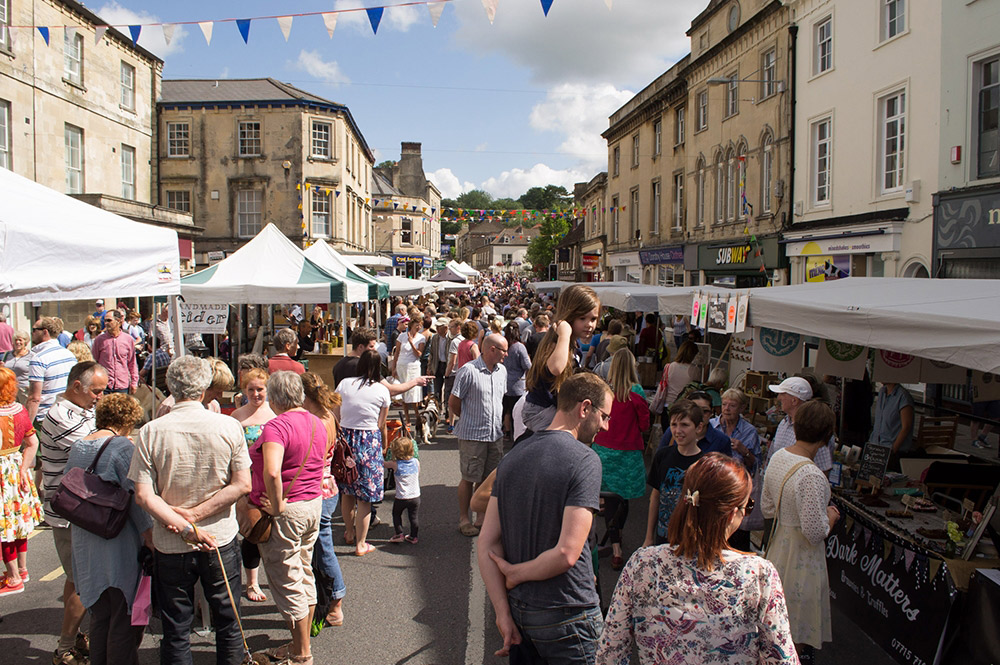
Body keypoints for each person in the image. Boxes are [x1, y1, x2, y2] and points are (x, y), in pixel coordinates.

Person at [596, 453, 798, 665]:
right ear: (731, 514)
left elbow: (610, 652)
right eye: (746, 507)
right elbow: (781, 658)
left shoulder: (643, 564)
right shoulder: (759, 575)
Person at [478, 372, 610, 663]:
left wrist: (502, 613)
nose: (606, 425)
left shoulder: (513, 456)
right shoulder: (585, 460)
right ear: (584, 408)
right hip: (569, 611)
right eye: (604, 415)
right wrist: (516, 573)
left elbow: (486, 542)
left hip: (520, 613)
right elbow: (566, 554)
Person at [128, 355, 251, 665]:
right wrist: (194, 518)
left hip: (171, 544)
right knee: (228, 621)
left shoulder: (151, 431)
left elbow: (143, 495)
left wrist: (184, 521)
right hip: (219, 538)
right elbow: (242, 484)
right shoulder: (228, 426)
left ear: (171, 386)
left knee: (176, 627)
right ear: (204, 388)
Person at [66, 394, 151, 665]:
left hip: (85, 537)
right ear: (127, 421)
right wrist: (149, 536)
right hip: (118, 540)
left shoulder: (79, 446)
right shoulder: (122, 449)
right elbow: (137, 497)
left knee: (100, 616)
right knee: (124, 617)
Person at [251, 371, 326, 665]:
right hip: (312, 504)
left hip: (289, 509)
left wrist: (278, 505)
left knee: (287, 579)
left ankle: (302, 652)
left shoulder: (277, 427)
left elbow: (272, 470)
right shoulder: (316, 422)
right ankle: (299, 646)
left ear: (275, 396)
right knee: (303, 571)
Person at [38, 361, 108, 665]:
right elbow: (98, 448)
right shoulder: (59, 415)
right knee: (84, 581)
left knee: (75, 579)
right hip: (68, 513)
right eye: (96, 391)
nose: (100, 397)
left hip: (78, 509)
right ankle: (65, 650)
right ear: (76, 387)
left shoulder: (80, 411)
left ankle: (76, 638)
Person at [763, 400, 840, 664]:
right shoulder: (812, 475)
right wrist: (830, 517)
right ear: (826, 435)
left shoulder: (779, 456)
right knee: (796, 632)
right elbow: (814, 531)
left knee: (774, 624)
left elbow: (766, 507)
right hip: (802, 559)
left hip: (778, 546)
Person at [592, 348, 649, 570]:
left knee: (611, 499)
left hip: (604, 450)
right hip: (628, 453)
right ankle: (618, 540)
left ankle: (615, 545)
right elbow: (644, 425)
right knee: (623, 500)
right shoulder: (636, 392)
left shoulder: (604, 392)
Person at [450, 334, 508, 537]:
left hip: (495, 435)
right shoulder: (468, 371)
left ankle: (482, 517)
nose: (506, 354)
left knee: (488, 479)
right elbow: (454, 402)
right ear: (492, 349)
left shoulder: (502, 371)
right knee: (469, 477)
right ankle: (464, 518)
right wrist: (468, 419)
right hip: (473, 435)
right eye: (503, 350)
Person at [300, 372, 346, 631]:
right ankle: (330, 595)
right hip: (329, 488)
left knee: (323, 546)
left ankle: (336, 597)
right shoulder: (328, 415)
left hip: (320, 490)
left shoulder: (318, 420)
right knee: (320, 546)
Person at [523, 284, 601, 433]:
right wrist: (564, 334)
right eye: (582, 318)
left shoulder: (573, 344)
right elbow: (557, 368)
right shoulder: (558, 341)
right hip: (540, 409)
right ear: (569, 316)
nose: (589, 324)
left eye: (593, 319)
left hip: (552, 408)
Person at [334, 350, 390, 557]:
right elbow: (381, 424)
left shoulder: (344, 384)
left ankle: (349, 532)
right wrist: (383, 447)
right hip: (368, 439)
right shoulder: (382, 390)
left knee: (347, 490)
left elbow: (335, 413)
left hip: (346, 438)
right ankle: (361, 543)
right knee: (365, 497)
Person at [229, 367, 275, 604]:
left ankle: (275, 579)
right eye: (251, 390)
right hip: (248, 480)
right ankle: (252, 581)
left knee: (276, 532)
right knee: (252, 532)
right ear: (244, 391)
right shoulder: (237, 416)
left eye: (260, 389)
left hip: (271, 478)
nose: (256, 394)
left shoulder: (276, 413)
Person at [0, 367, 43, 595]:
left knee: (4, 526)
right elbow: (33, 443)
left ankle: (13, 576)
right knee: (18, 523)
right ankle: (22, 569)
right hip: (17, 466)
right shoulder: (20, 410)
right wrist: (24, 469)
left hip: (2, 473)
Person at [645, 399, 707, 547]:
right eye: (674, 424)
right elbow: (655, 496)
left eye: (685, 425)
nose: (678, 430)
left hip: (691, 540)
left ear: (698, 427)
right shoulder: (663, 455)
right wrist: (649, 537)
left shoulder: (704, 464)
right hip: (663, 536)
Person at [711, 388, 762, 551]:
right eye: (724, 404)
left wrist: (744, 451)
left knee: (737, 534)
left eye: (732, 405)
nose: (726, 409)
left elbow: (755, 464)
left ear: (741, 408)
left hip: (737, 486)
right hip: (714, 484)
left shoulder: (749, 431)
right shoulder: (712, 426)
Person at [766, 377, 835, 473]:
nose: (778, 398)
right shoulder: (784, 423)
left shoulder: (815, 428)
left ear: (794, 400)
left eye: (782, 394)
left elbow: (822, 470)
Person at [27, 317, 78, 424]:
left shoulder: (38, 359)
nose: (32, 333)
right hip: (67, 414)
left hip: (46, 417)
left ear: (45, 332)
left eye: (34, 330)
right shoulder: (69, 354)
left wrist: (26, 427)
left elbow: (34, 398)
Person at [155, 357, 233, 417]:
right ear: (205, 386)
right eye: (217, 392)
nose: (220, 396)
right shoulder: (169, 407)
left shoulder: (213, 406)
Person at [391, 318, 426, 437]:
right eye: (417, 325)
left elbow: (419, 354)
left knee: (414, 393)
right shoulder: (401, 336)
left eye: (420, 325)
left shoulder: (421, 338)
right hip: (401, 365)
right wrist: (394, 367)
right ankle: (407, 418)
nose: (418, 327)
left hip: (413, 366)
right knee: (403, 392)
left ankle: (417, 416)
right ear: (411, 325)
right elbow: (397, 352)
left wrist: (411, 342)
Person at [91, 310, 139, 395]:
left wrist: (134, 382)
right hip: (105, 385)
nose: (106, 323)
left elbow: (132, 363)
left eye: (109, 320)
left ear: (118, 321)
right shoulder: (99, 340)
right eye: (105, 320)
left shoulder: (128, 339)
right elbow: (94, 362)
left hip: (122, 385)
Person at [385, 437, 421, 544]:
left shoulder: (395, 464)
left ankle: (399, 534)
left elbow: (383, 464)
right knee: (413, 517)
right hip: (415, 496)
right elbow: (418, 474)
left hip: (401, 497)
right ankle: (413, 536)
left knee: (396, 514)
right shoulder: (416, 462)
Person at [501, 321, 531, 442]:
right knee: (516, 412)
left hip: (504, 382)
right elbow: (527, 365)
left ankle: (507, 432)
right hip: (517, 384)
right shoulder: (519, 347)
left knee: (506, 409)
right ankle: (516, 435)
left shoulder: (503, 345)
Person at [869, 383, 915, 457]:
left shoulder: (903, 396)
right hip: (876, 447)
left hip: (892, 451)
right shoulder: (882, 392)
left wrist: (893, 449)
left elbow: (906, 427)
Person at [427, 318, 451, 405]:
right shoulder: (435, 338)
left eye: (439, 327)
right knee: (437, 388)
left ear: (445, 328)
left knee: (448, 389)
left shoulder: (451, 339)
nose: (437, 329)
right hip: (438, 364)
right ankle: (438, 407)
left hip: (448, 365)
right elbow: (432, 353)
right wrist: (429, 367)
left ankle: (447, 409)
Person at [5, 330, 31, 396]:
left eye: (20, 340)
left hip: (24, 390)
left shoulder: (32, 356)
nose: (17, 342)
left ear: (26, 342)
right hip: (9, 390)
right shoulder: (7, 354)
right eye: (16, 340)